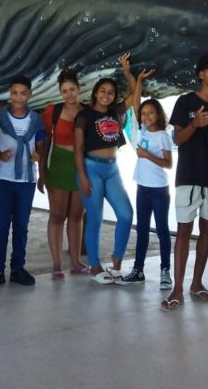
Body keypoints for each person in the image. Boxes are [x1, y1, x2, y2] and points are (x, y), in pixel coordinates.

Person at [160, 54, 208, 311]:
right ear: (201, 74)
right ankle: (177, 288)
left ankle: (197, 283)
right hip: (188, 175)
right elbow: (177, 140)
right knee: (183, 231)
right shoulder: (186, 101)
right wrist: (195, 124)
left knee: (207, 231)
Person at [74, 54, 149, 284]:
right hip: (90, 168)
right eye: (103, 91)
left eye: (110, 93)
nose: (106, 95)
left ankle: (116, 264)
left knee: (126, 214)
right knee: (95, 218)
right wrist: (83, 177)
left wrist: (128, 72)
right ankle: (95, 267)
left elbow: (135, 93)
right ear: (96, 92)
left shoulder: (116, 111)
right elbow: (77, 149)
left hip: (112, 169)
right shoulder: (84, 115)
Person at [0, 76, 46, 289]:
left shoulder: (36, 120)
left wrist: (38, 155)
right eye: (14, 93)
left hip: (26, 181)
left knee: (21, 227)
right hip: (3, 179)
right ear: (10, 94)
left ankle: (18, 268)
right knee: (0, 227)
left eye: (23, 93)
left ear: (30, 95)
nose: (18, 97)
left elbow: (41, 146)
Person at [116, 57, 172, 288]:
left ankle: (165, 272)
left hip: (159, 190)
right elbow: (137, 103)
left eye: (151, 114)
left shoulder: (163, 136)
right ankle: (138, 270)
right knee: (141, 231)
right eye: (144, 114)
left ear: (158, 115)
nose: (146, 116)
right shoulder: (142, 130)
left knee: (162, 230)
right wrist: (136, 78)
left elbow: (168, 164)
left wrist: (147, 155)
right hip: (142, 189)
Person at [40, 69, 88, 279]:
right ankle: (57, 264)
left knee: (77, 216)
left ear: (79, 89)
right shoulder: (53, 111)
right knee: (57, 216)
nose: (68, 94)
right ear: (60, 92)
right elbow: (45, 144)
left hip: (80, 168)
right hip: (58, 165)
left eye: (72, 90)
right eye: (64, 91)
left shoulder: (88, 112)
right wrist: (42, 173)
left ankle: (76, 262)